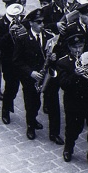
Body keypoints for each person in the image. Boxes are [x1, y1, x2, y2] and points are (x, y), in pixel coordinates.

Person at [56, 32, 88, 166]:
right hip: (73, 101)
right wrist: (75, 75)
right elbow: (63, 84)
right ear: (69, 48)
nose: (78, 50)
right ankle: (68, 149)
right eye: (75, 47)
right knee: (73, 128)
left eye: (80, 46)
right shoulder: (63, 62)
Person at [12, 8, 56, 140]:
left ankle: (47, 129)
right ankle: (30, 125)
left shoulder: (49, 36)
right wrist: (31, 73)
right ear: (31, 23)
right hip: (30, 77)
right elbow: (16, 61)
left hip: (45, 76)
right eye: (38, 22)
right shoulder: (23, 39)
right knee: (32, 103)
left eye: (43, 22)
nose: (42, 25)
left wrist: (54, 57)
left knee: (45, 102)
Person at [0, 0, 24, 124]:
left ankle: (31, 120)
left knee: (28, 90)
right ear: (7, 7)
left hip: (24, 62)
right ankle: (6, 110)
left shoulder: (24, 21)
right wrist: (9, 33)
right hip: (9, 63)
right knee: (11, 88)